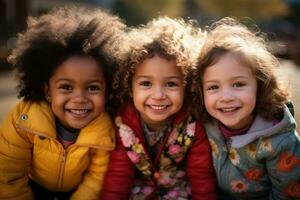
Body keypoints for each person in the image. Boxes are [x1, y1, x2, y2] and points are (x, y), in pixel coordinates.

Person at [0, 6, 127, 200]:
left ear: (107, 89)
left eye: (92, 88)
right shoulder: (23, 120)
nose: (79, 98)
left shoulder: (104, 129)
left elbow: (96, 179)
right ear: (47, 91)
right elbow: (8, 174)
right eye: (66, 87)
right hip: (31, 187)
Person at [99, 16, 217, 200]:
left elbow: (201, 174)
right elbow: (119, 174)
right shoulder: (122, 123)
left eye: (171, 84)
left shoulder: (192, 123)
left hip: (178, 190)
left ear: (187, 86)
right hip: (139, 190)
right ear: (130, 88)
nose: (158, 95)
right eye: (146, 83)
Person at [194, 17, 300, 199]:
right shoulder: (205, 124)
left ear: (260, 86)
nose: (226, 97)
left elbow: (287, 195)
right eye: (213, 87)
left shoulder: (279, 141)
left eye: (238, 84)